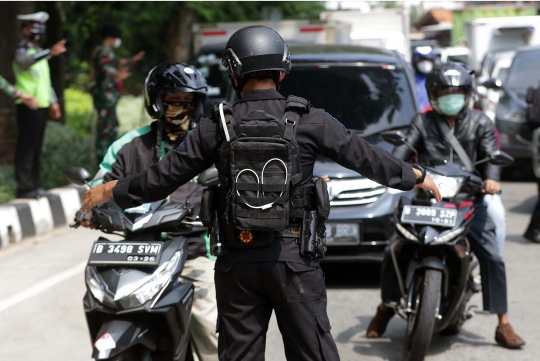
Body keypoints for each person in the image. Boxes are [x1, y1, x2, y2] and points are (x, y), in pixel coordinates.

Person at [80, 26, 441, 361]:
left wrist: (113, 188)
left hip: (237, 261)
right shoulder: (309, 118)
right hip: (294, 262)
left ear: (234, 75)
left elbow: (162, 178)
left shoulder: (216, 125)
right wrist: (415, 175)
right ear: (282, 72)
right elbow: (366, 157)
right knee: (312, 352)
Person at [366, 62, 525, 349]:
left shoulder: (482, 123)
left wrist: (491, 181)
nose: (452, 98)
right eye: (444, 92)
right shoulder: (421, 122)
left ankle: (503, 322)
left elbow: (491, 157)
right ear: (433, 94)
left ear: (468, 94)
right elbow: (403, 151)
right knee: (395, 247)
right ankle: (386, 307)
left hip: (468, 201)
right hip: (425, 200)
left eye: (458, 92)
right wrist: (397, 169)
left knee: (492, 256)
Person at [81, 62, 218, 361]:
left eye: (187, 101)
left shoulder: (207, 144)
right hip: (135, 251)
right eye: (172, 100)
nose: (180, 107)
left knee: (209, 328)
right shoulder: (128, 145)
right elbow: (98, 186)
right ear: (156, 101)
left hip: (193, 252)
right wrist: (90, 209)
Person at [12, 11, 66, 199]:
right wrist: (49, 52)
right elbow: (23, 62)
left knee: (36, 147)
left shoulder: (38, 53)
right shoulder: (23, 50)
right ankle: (24, 187)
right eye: (32, 27)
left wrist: (53, 101)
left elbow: (45, 81)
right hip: (27, 105)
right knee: (26, 147)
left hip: (41, 105)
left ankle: (35, 185)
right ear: (25, 29)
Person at [91, 24, 145, 161]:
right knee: (106, 128)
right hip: (104, 97)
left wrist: (131, 60)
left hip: (110, 97)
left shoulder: (107, 51)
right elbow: (106, 68)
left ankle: (109, 158)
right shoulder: (102, 51)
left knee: (112, 126)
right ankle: (102, 161)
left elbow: (115, 62)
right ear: (111, 37)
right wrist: (117, 75)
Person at [412, 46, 437, 112]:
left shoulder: (437, 79)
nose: (425, 63)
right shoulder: (411, 79)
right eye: (421, 60)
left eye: (429, 60)